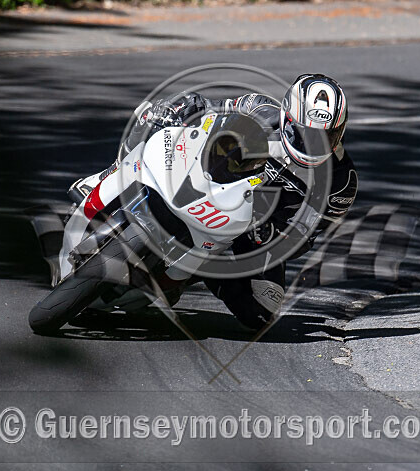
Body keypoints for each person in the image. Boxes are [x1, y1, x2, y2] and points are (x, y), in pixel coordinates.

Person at [107, 74, 358, 329]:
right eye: (305, 132)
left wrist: (273, 233)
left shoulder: (341, 182)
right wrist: (178, 109)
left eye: (327, 136)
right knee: (157, 116)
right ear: (288, 117)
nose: (314, 145)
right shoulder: (258, 108)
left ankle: (197, 269)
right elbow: (207, 109)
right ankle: (115, 173)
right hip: (209, 179)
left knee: (261, 312)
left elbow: (307, 236)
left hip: (256, 231)